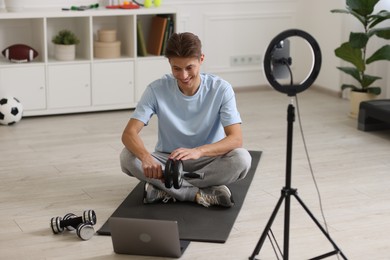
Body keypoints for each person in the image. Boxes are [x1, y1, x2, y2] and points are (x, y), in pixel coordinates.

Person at [120, 32, 252, 208]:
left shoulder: (221, 89)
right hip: (168, 161)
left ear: (201, 59)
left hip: (208, 159)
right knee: (127, 157)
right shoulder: (156, 89)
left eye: (189, 67)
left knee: (242, 159)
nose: (183, 75)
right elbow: (129, 133)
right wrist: (145, 157)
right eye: (177, 68)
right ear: (170, 64)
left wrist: (199, 151)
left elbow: (236, 139)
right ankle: (197, 194)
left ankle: (166, 190)